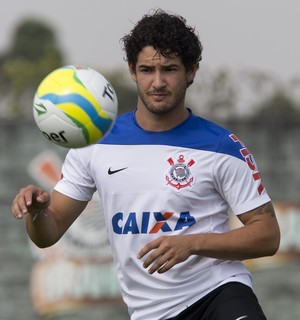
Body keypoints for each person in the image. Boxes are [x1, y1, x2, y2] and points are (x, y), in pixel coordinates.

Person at [12, 9, 280, 320]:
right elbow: (48, 232)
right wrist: (38, 211)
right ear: (132, 70)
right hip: (150, 312)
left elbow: (268, 234)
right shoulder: (95, 144)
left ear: (191, 71)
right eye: (147, 70)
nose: (158, 82)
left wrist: (192, 244)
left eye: (170, 69)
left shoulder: (221, 147)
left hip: (218, 292)